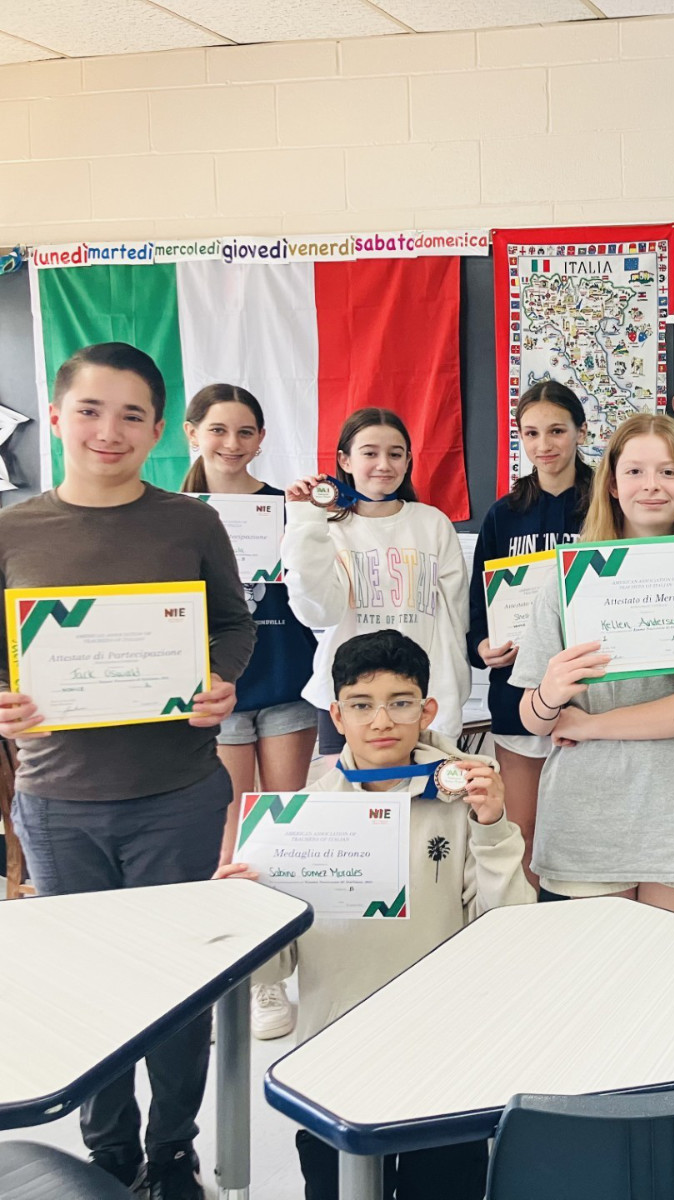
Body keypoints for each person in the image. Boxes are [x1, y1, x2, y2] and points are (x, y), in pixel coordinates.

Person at [0, 342, 254, 1199]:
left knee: (180, 994)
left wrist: (220, 680)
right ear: (60, 415)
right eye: (91, 410)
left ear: (156, 430)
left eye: (133, 415)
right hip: (58, 800)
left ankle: (173, 1150)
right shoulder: (11, 529)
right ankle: (108, 1153)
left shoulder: (189, 521)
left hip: (177, 797)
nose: (110, 431)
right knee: (90, 991)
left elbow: (233, 622)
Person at [233, 628, 535, 1200]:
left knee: (445, 1185)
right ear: (336, 715)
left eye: (400, 703)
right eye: (361, 705)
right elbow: (271, 974)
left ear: (428, 710)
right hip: (332, 1054)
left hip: (445, 1052)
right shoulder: (299, 821)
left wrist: (494, 827)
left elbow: (511, 931)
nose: (381, 722)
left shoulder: (465, 797)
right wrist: (251, 915)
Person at [511, 414, 674, 916]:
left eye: (669, 472)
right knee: (592, 990)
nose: (652, 486)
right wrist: (550, 694)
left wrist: (591, 725)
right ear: (610, 483)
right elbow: (533, 718)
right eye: (635, 472)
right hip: (585, 818)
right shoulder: (569, 578)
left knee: (670, 988)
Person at [181, 382, 319, 1043]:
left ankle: (279, 973)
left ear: (262, 439)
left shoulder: (287, 508)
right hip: (221, 693)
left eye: (244, 432)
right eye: (218, 430)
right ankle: (245, 976)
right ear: (192, 435)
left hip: (288, 684)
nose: (231, 444)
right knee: (233, 837)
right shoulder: (176, 515)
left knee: (286, 831)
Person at [281, 407, 469, 752]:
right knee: (350, 804)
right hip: (348, 696)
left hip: (420, 698)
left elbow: (456, 620)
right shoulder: (327, 529)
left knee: (423, 804)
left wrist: (449, 692)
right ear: (345, 460)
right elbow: (318, 614)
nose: (384, 464)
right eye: (370, 453)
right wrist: (306, 518)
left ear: (408, 460)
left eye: (395, 454)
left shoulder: (433, 523)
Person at [467, 381, 592, 888]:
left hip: (588, 693)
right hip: (517, 688)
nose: (546, 444)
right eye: (532, 433)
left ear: (581, 432)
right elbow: (479, 608)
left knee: (584, 833)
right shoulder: (504, 513)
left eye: (558, 431)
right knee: (523, 830)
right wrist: (483, 648)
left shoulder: (608, 504)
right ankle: (527, 936)